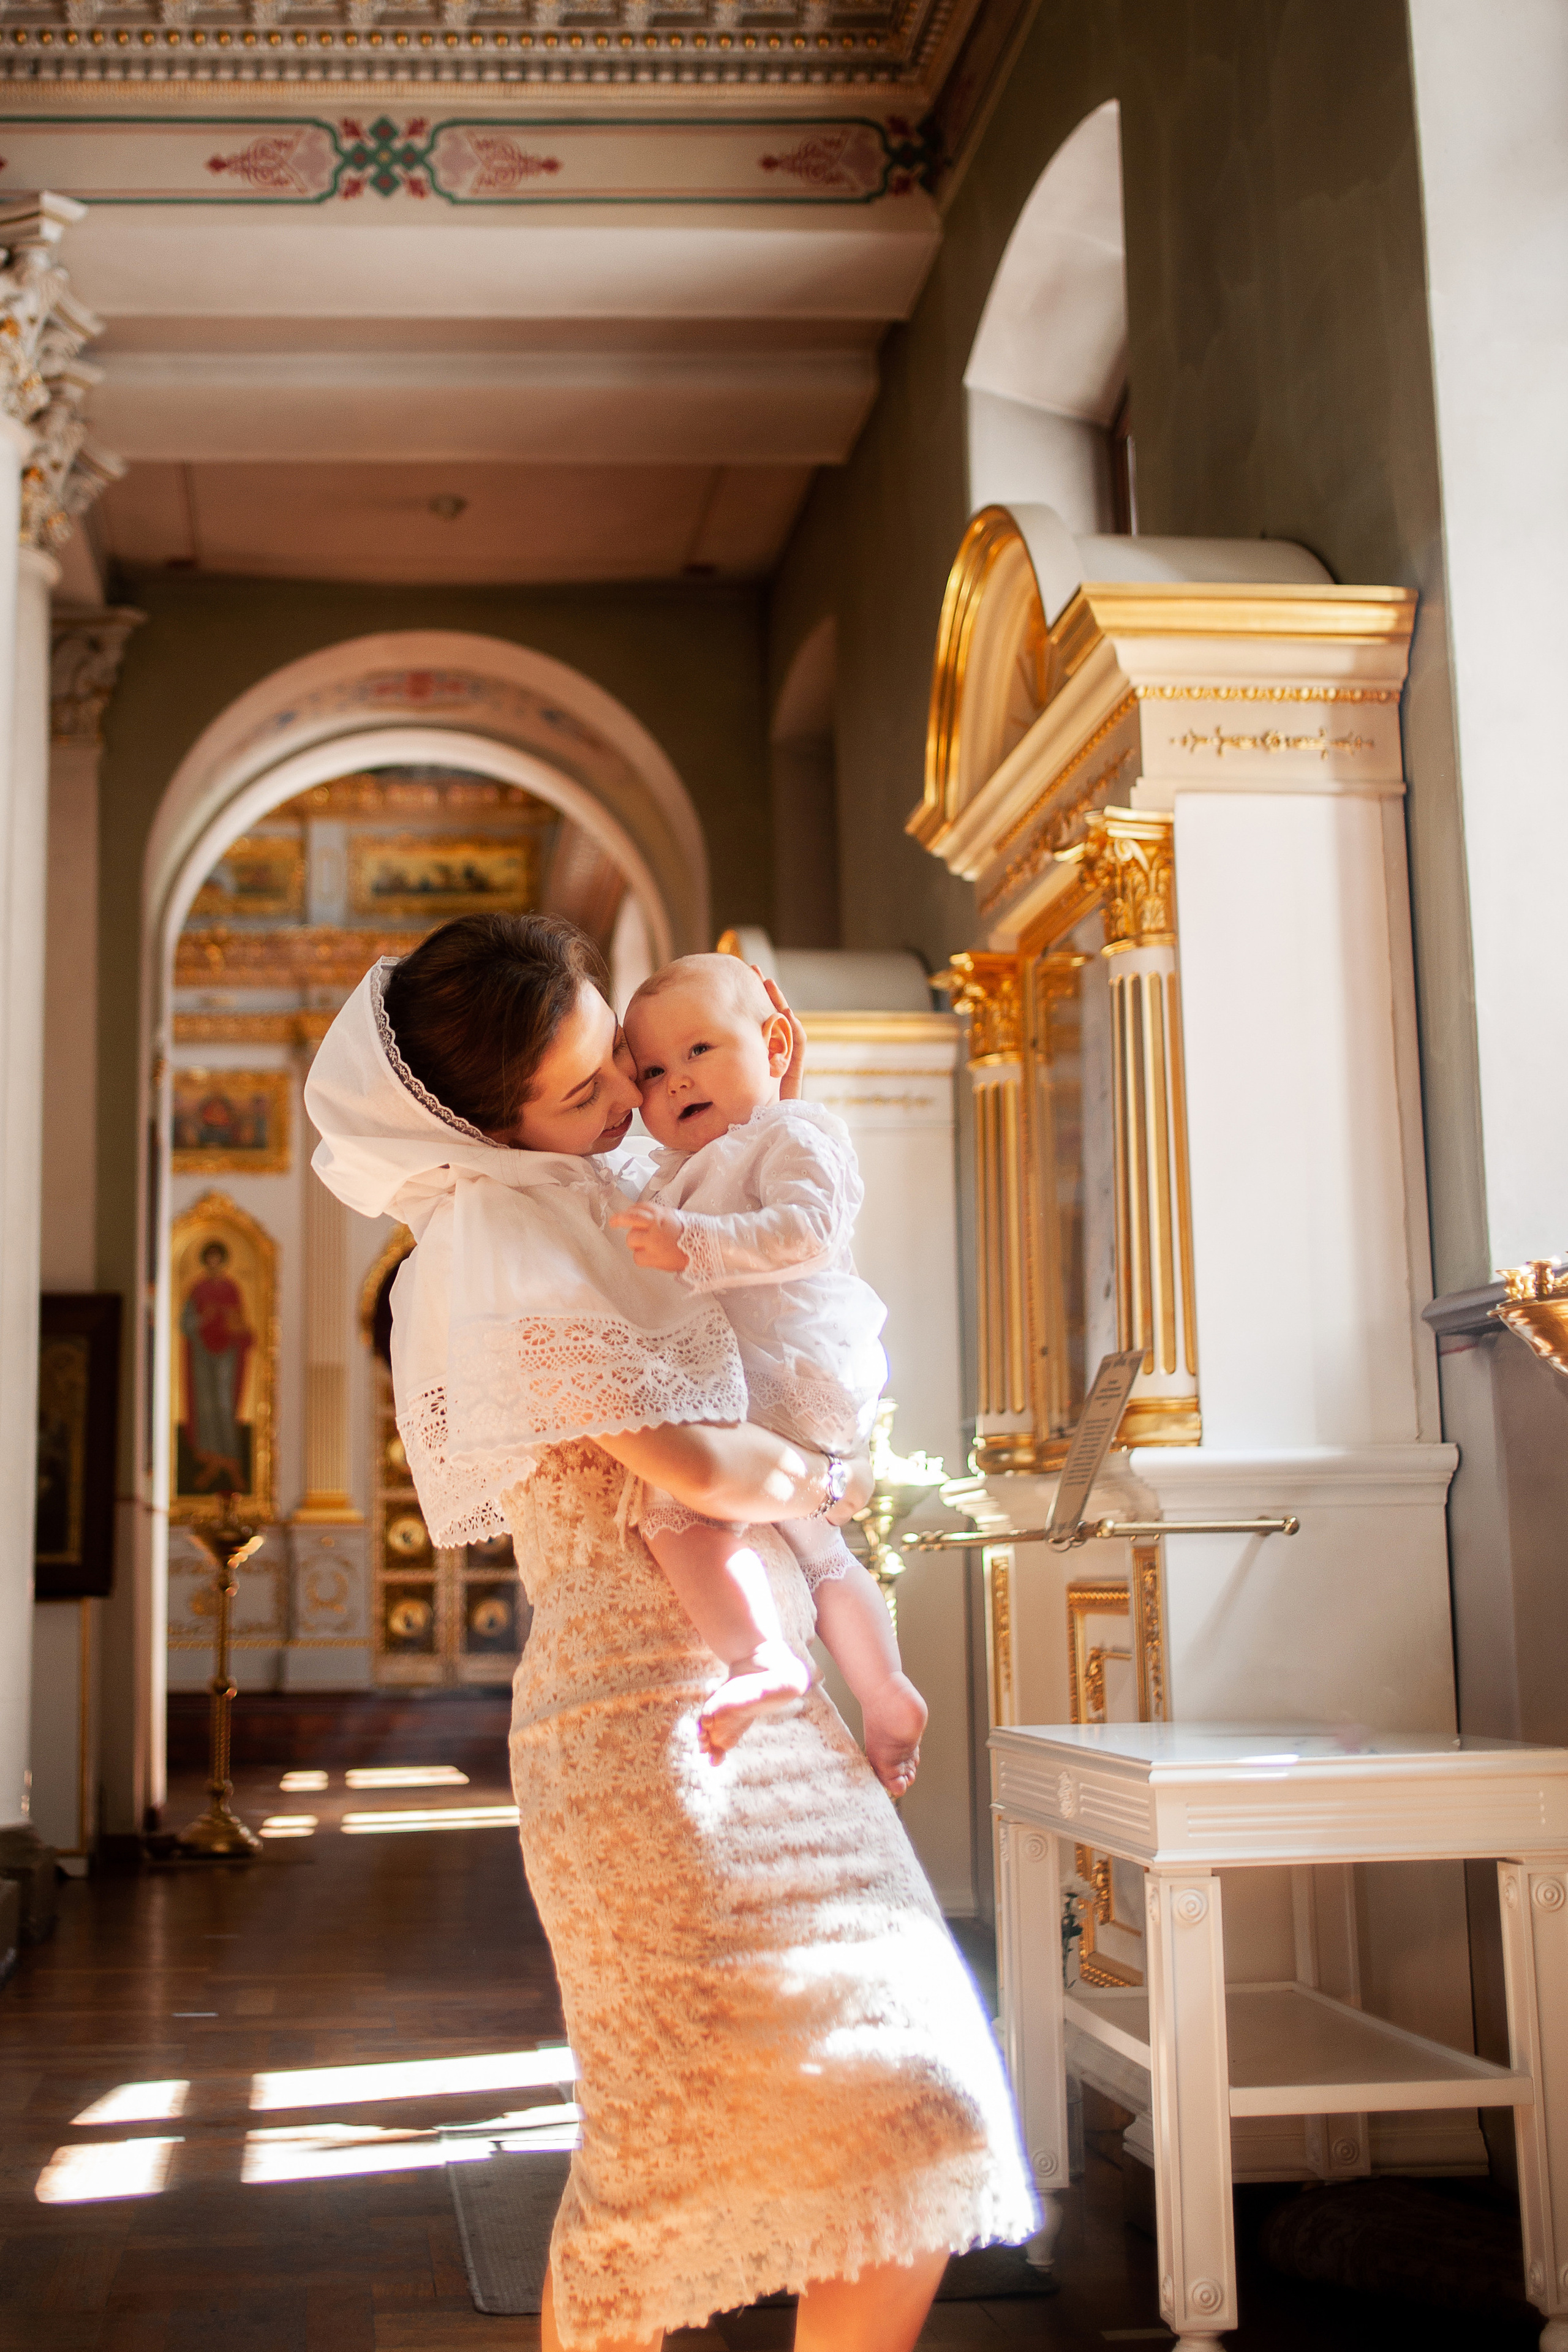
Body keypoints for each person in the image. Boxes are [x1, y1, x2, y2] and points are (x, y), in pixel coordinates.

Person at [306, 913, 1037, 2352]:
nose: (626, 1109)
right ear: (486, 1123)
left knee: (917, 2114)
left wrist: (762, 1077)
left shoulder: (606, 1178)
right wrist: (833, 1478)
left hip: (771, 1707)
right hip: (644, 1732)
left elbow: (767, 1231)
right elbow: (703, 1470)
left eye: (624, 1068)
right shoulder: (498, 1231)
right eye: (587, 1092)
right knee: (664, 2170)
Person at [610, 952, 926, 1795]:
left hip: (790, 1368)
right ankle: (886, 1692)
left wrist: (695, 1244)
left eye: (700, 1050)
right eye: (652, 1071)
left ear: (776, 1043)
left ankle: (759, 1657)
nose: (676, 1081)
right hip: (767, 1383)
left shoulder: (796, 1134)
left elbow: (811, 1230)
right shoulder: (673, 1169)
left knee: (679, 1513)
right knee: (822, 1553)